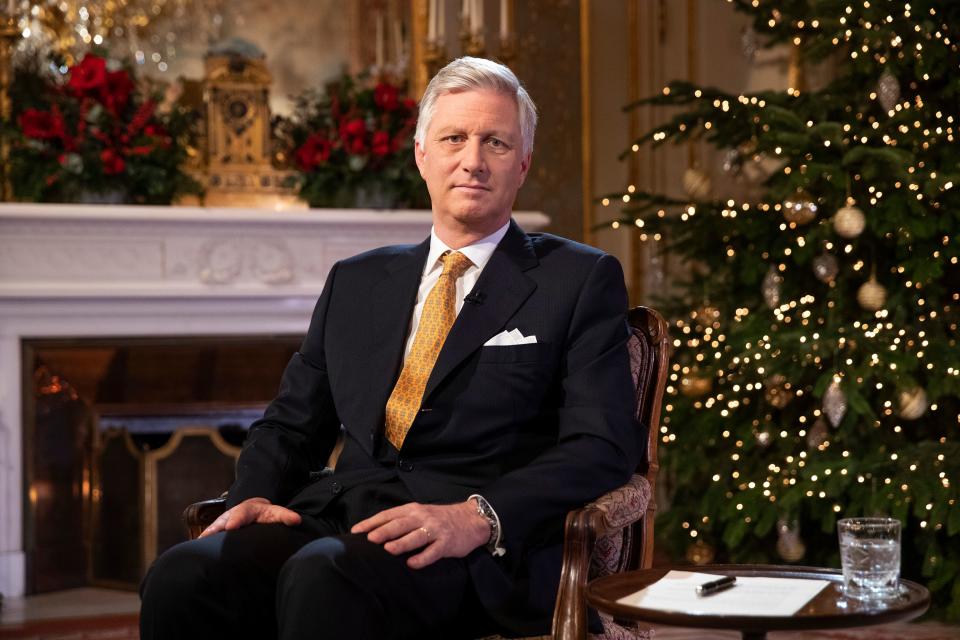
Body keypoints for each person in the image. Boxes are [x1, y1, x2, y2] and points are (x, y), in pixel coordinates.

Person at [140, 56, 642, 640]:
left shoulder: (578, 279)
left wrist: (478, 516)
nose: (472, 160)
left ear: (523, 163)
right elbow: (291, 425)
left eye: (496, 143)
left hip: (472, 549)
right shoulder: (355, 281)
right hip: (339, 516)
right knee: (184, 575)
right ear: (422, 155)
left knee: (324, 576)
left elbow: (600, 445)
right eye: (453, 138)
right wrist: (254, 496)